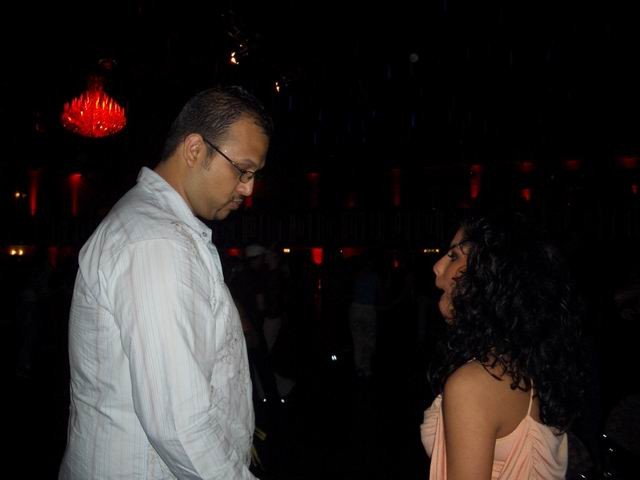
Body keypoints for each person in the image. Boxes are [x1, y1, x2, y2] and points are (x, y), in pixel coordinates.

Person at [59, 85, 273, 479]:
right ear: (194, 150)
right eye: (242, 170)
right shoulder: (156, 242)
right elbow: (180, 428)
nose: (248, 188)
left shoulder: (159, 229)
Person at [420, 210, 585, 479]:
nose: (437, 266)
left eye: (455, 255)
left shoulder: (474, 383)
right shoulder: (521, 362)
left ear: (490, 275)